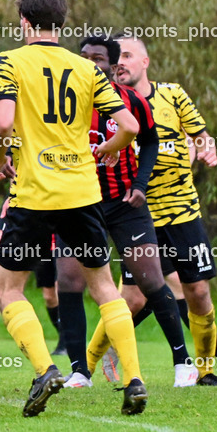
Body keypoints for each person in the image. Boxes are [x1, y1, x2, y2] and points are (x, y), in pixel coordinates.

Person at [0, 0, 147, 417]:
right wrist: (111, 147)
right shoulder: (87, 68)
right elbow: (130, 126)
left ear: (24, 22)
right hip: (82, 194)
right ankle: (134, 379)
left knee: (9, 290)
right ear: (61, 23)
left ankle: (45, 370)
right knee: (105, 287)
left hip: (34, 195)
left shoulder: (9, 61)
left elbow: (2, 121)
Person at [84, 36, 217, 385]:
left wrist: (206, 149)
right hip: (137, 215)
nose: (120, 63)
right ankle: (85, 367)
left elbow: (200, 135)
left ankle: (206, 371)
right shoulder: (107, 105)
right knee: (134, 299)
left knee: (197, 291)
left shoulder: (173, 95)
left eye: (127, 55)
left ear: (145, 62)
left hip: (182, 210)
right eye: (117, 57)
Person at [51, 35, 194, 388]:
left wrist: (140, 185)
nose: (88, 62)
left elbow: (150, 140)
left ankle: (183, 362)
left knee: (150, 279)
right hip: (77, 202)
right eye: (83, 56)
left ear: (113, 67)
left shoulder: (131, 101)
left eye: (97, 58)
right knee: (68, 279)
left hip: (124, 205)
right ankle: (79, 370)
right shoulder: (66, 101)